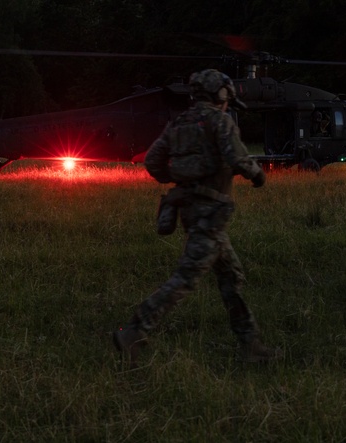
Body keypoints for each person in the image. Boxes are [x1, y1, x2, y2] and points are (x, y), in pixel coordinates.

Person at [113, 69, 276, 365]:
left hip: (188, 209)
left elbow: (152, 161)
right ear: (222, 95)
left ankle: (251, 345)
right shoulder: (219, 121)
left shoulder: (178, 122)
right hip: (210, 213)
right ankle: (134, 331)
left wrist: (179, 178)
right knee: (186, 278)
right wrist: (258, 176)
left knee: (231, 276)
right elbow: (238, 158)